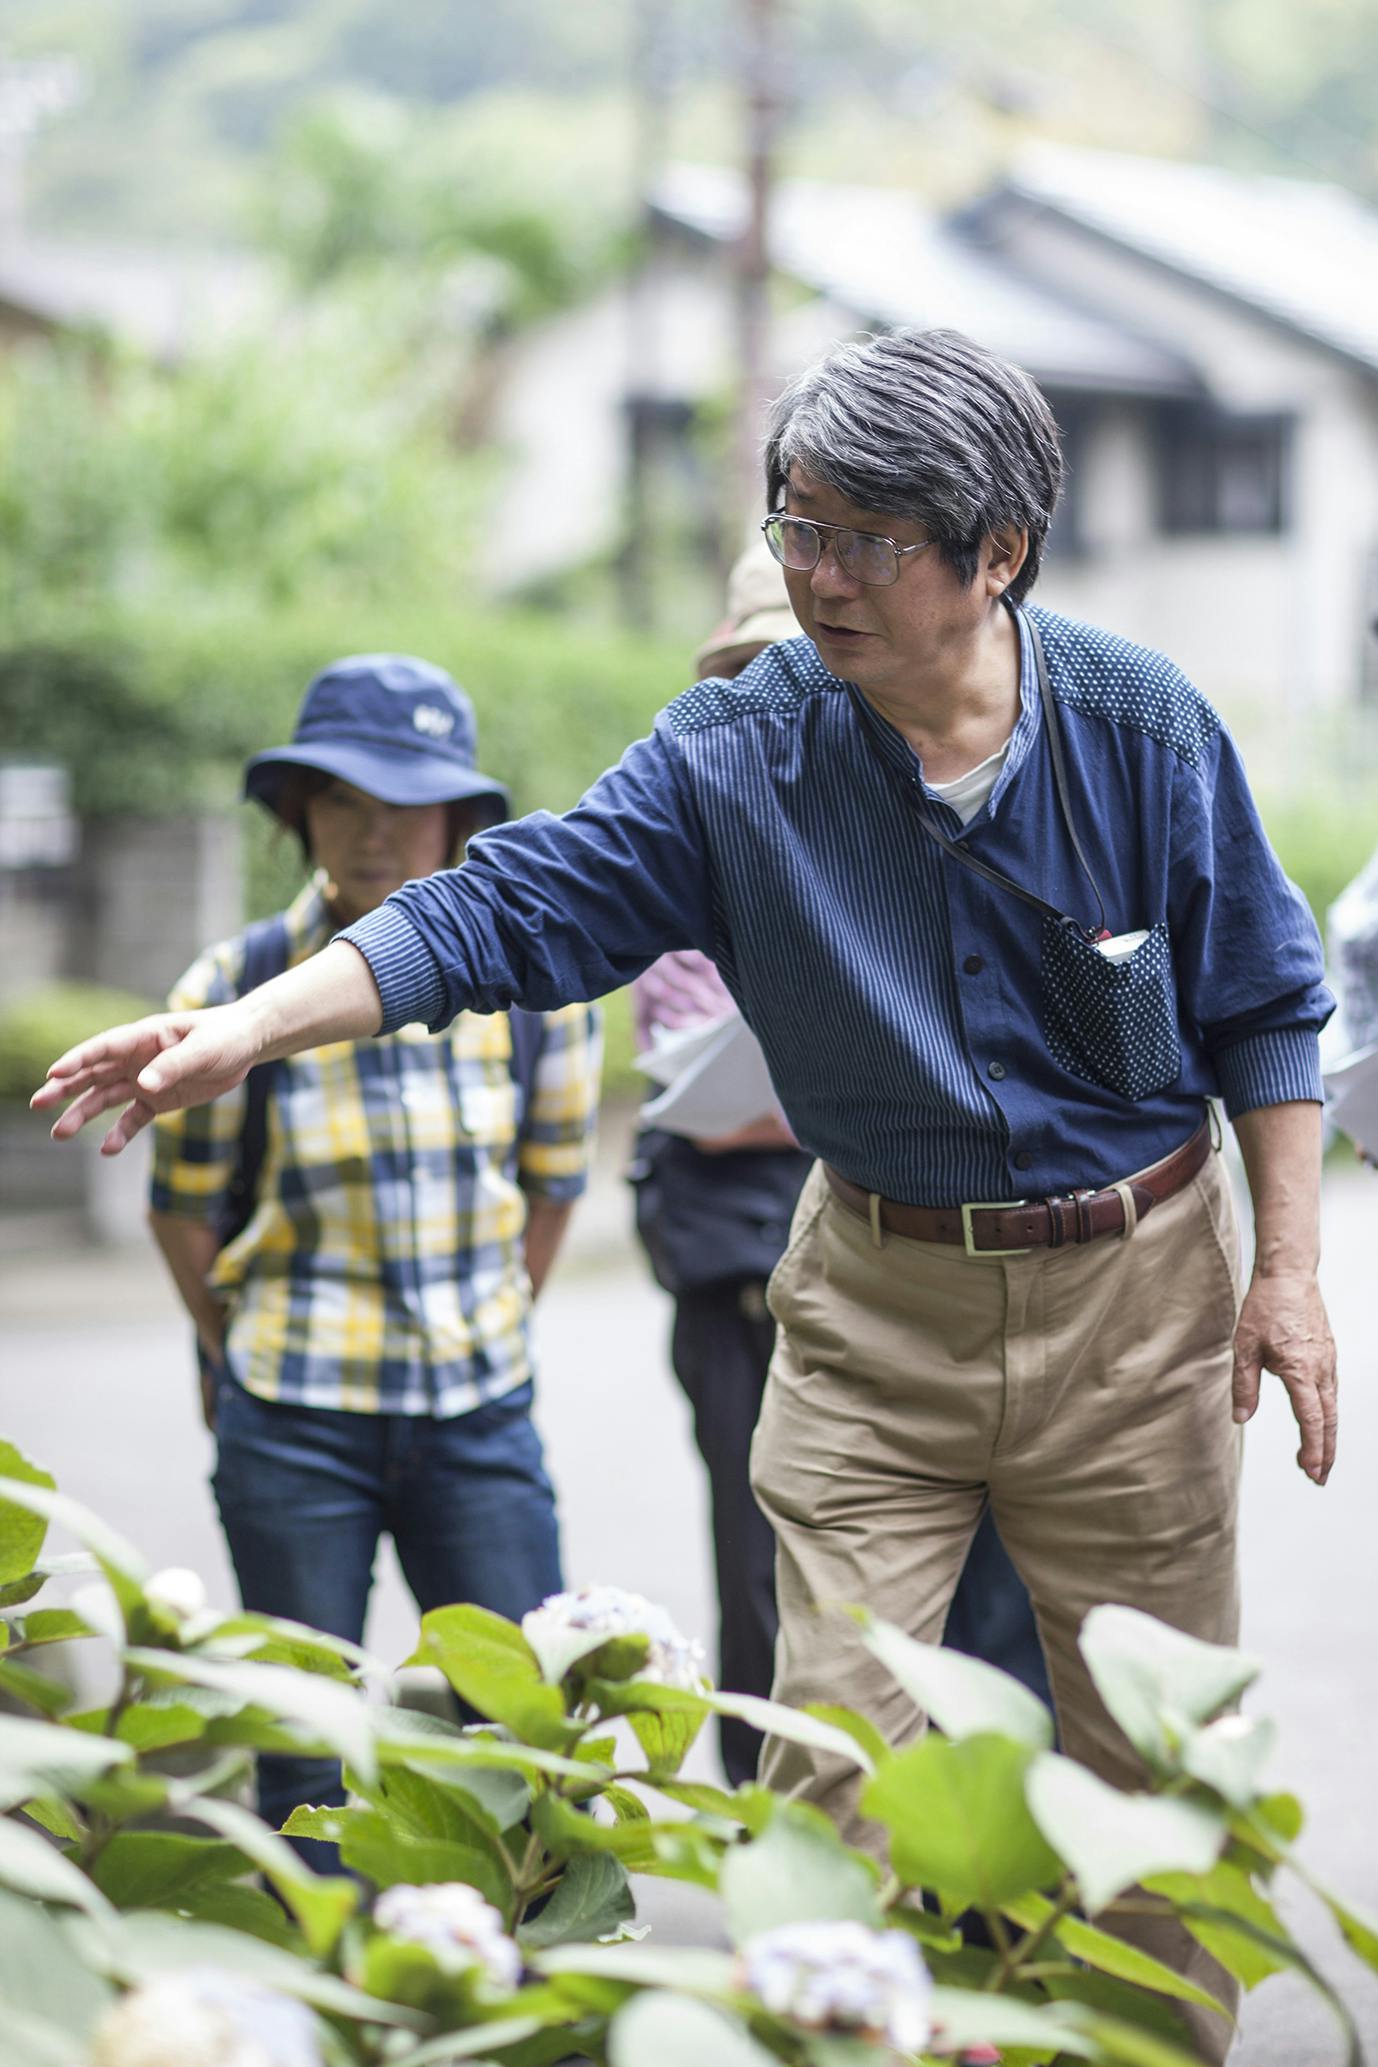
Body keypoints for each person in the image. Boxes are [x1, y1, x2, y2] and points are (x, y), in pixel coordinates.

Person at [39, 330, 1337, 2057]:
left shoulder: (1138, 728)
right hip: (876, 1299)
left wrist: (1288, 1273)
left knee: (1147, 1786)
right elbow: (501, 905)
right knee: (830, 1765)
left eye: (865, 539)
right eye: (796, 522)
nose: (812, 573)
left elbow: (1261, 1002)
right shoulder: (738, 750)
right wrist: (245, 1028)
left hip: (1136, 1302)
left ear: (995, 553)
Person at [144, 654, 601, 1865]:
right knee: (303, 1745)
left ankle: (519, 2015)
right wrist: (233, 1354)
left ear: (459, 819)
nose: (376, 826)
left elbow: (552, 1186)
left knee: (516, 1728)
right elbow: (183, 1211)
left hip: (479, 1415)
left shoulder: (537, 996)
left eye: (409, 799)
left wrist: (489, 1326)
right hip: (295, 1417)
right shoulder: (234, 990)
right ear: (301, 814)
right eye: (342, 797)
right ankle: (329, 2008)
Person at [629, 545, 1051, 1791]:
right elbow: (692, 1087)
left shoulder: (944, 829)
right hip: (740, 1263)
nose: (782, 705)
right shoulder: (692, 840)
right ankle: (785, 1841)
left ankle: (975, 1865)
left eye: (805, 673)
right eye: (754, 674)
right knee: (769, 1562)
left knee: (983, 1585)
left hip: (940, 1267)